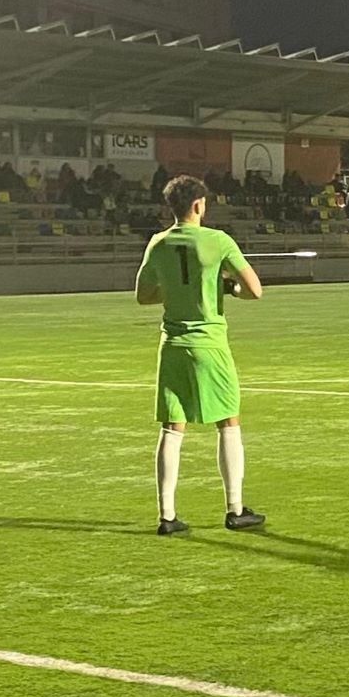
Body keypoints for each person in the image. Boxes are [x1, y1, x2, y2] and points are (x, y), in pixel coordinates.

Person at [134, 176, 265, 536]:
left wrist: (178, 291)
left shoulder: (158, 242)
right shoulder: (218, 240)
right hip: (210, 343)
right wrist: (225, 287)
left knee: (172, 427)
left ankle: (167, 516)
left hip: (173, 344)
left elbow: (144, 296)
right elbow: (254, 290)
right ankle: (235, 509)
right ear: (198, 204)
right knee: (228, 421)